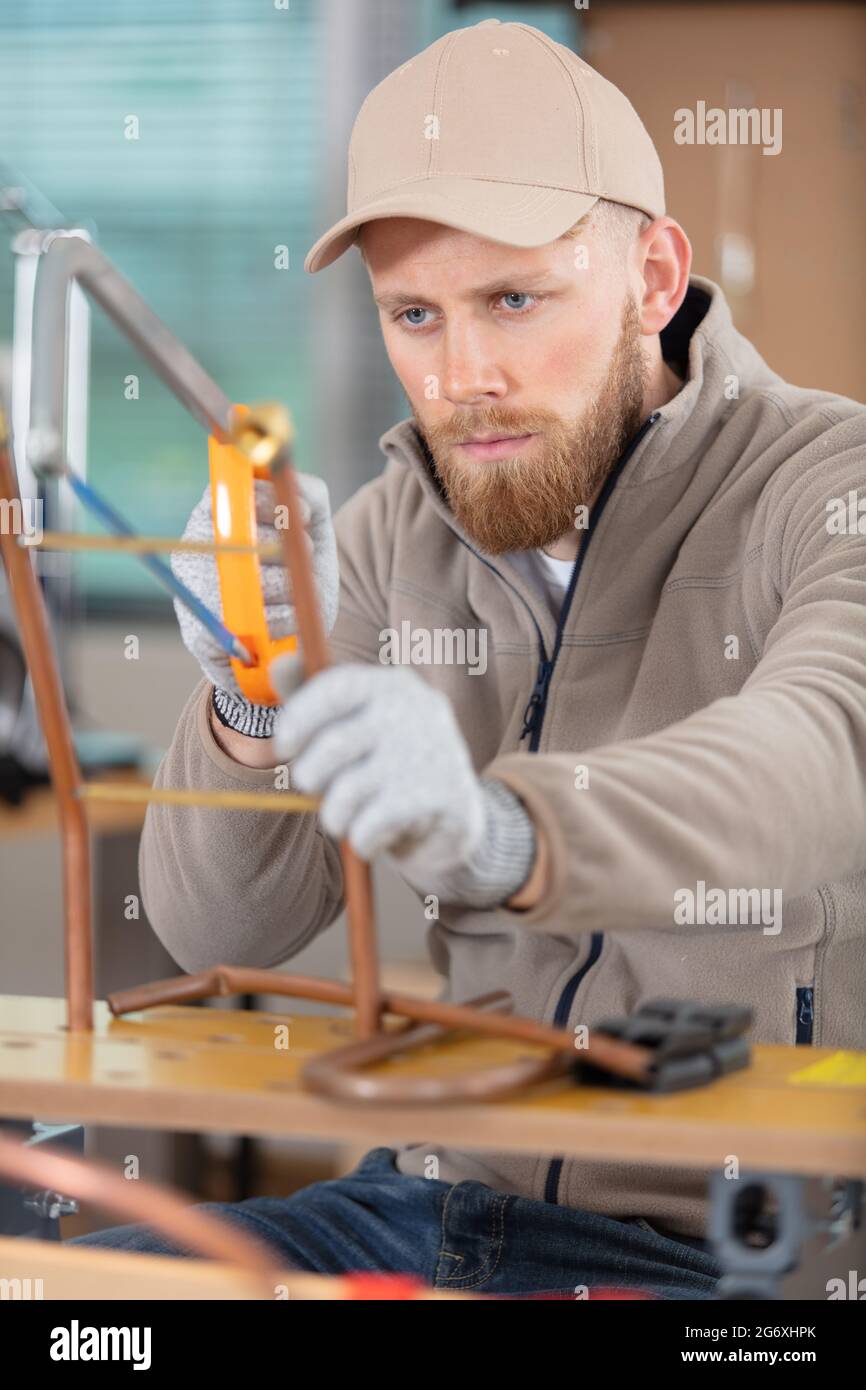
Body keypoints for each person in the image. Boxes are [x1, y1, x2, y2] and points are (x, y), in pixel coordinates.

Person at [70, 19, 866, 1299]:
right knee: (58, 1299)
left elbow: (823, 754)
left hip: (731, 1257)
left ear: (651, 277)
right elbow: (216, 926)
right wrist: (246, 700)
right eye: (413, 314)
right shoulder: (392, 530)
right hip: (422, 1203)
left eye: (511, 299)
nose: (462, 378)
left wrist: (503, 834)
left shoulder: (827, 481)